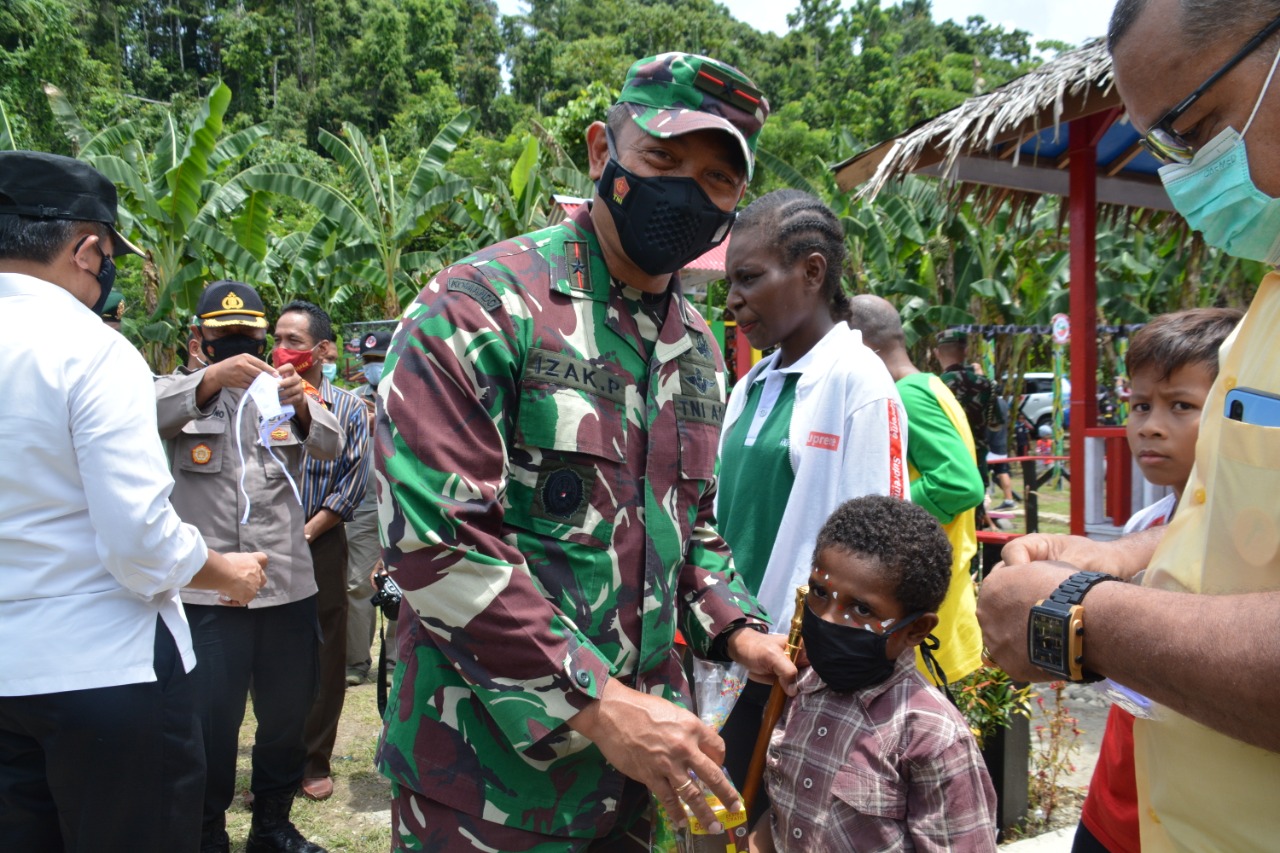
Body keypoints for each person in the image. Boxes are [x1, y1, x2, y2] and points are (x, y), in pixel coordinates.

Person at [374, 52, 796, 851]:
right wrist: (600, 704)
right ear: (603, 153)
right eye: (663, 159)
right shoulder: (480, 306)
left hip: (639, 783)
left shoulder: (699, 345)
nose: (686, 191)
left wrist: (740, 629)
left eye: (716, 179)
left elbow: (690, 524)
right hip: (485, 784)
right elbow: (436, 539)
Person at [978, 2, 1280, 849]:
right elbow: (1239, 524)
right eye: (1165, 147)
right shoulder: (1268, 295)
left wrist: (1080, 615)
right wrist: (1117, 557)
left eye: (1196, 126)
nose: (1184, 175)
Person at [0, 150, 267, 852]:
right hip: (105, 672)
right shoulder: (89, 349)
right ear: (89, 247)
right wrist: (226, 571)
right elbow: (139, 540)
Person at [714, 191, 909, 796]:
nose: (732, 299)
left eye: (748, 277)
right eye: (729, 281)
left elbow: (878, 544)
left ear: (812, 271)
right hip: (732, 652)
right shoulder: (752, 385)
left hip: (795, 672)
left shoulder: (859, 382)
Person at [157, 280, 343, 853]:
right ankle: (207, 831)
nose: (236, 345)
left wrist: (301, 402)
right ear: (200, 338)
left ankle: (272, 826)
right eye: (223, 335)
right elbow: (140, 416)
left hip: (285, 585)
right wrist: (208, 381)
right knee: (210, 723)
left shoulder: (282, 392)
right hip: (209, 593)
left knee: (287, 718)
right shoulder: (173, 390)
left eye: (247, 334)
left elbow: (332, 446)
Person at [1074, 308, 1240, 853]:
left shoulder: (1247, 548)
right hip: (1120, 785)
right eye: (1141, 405)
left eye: (1181, 407)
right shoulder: (1140, 530)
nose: (1149, 425)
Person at [749, 496, 997, 853]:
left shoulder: (933, 739)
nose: (829, 618)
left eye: (862, 609)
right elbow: (783, 816)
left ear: (916, 630)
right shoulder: (798, 686)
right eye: (820, 592)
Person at [847, 293, 985, 686]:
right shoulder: (931, 385)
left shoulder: (906, 396)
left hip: (925, 606)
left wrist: (883, 510)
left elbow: (959, 484)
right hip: (940, 599)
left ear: (863, 348)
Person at [276, 300, 372, 803]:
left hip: (320, 540)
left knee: (323, 653)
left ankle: (315, 760)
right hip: (264, 546)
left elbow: (351, 483)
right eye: (279, 338)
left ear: (323, 349)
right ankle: (277, 765)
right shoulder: (261, 398)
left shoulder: (350, 408)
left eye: (295, 340)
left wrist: (306, 533)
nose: (284, 349)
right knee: (273, 657)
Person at [345, 329, 392, 687]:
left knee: (405, 579)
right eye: (368, 361)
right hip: (363, 503)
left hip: (401, 501)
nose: (373, 367)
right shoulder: (353, 401)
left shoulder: (410, 393)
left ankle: (394, 657)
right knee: (358, 583)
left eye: (379, 360)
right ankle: (357, 660)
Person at [935, 331, 1003, 524]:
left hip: (946, 462)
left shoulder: (935, 385)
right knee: (975, 522)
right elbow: (996, 424)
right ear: (965, 351)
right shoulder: (985, 385)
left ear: (937, 353)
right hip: (977, 462)